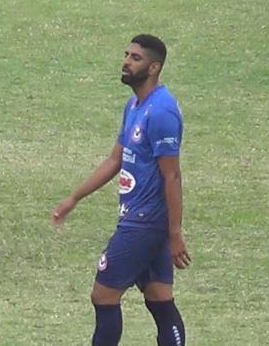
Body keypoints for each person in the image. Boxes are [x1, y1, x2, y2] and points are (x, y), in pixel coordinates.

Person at [51, 34, 189, 346]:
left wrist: (175, 233)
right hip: (141, 219)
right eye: (126, 54)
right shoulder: (134, 105)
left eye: (135, 58)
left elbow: (172, 176)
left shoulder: (162, 112)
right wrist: (74, 198)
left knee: (103, 295)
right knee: (159, 298)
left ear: (154, 67)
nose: (126, 61)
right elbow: (116, 158)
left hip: (144, 222)